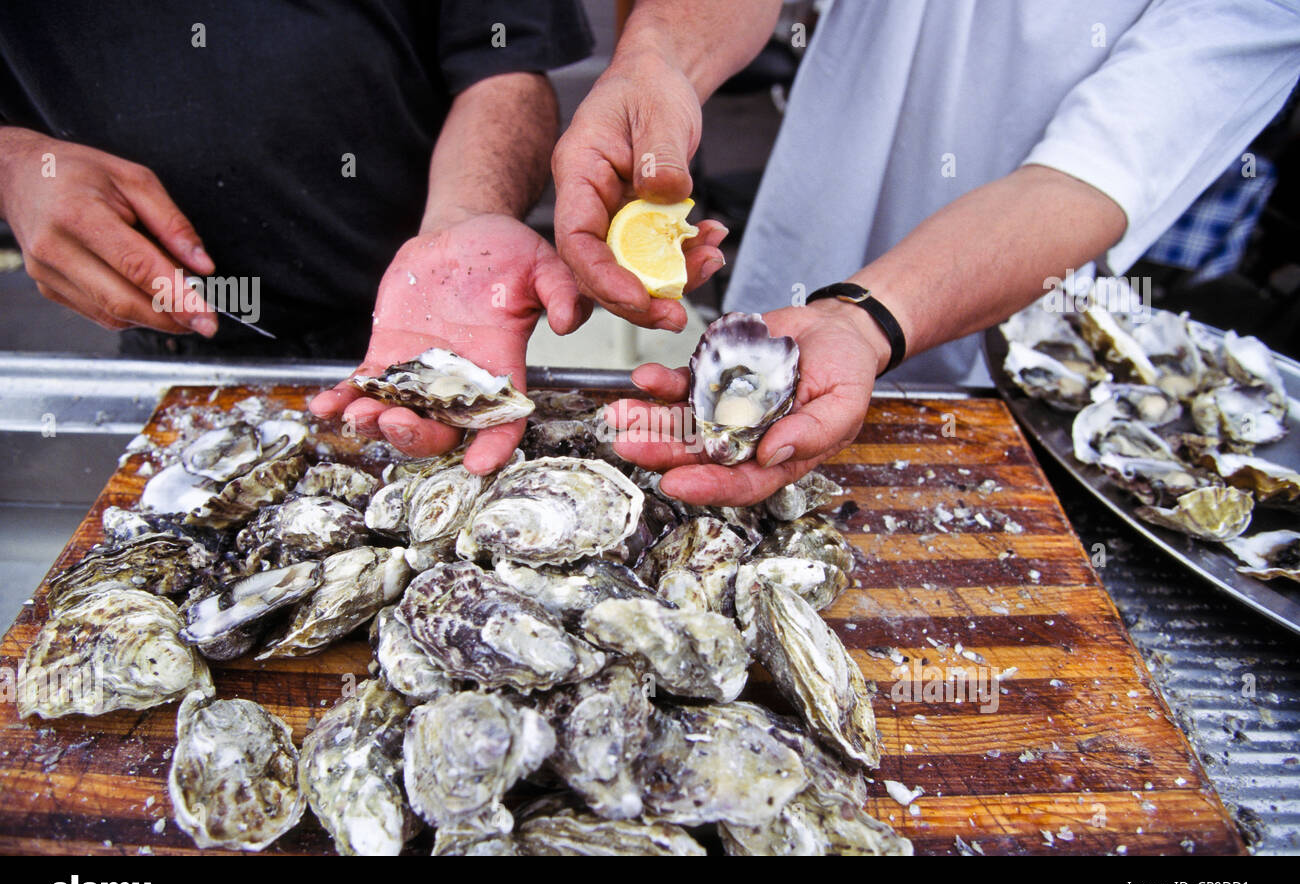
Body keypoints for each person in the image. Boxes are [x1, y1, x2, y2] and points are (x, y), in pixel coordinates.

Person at [551, 0, 1300, 506]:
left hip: (993, 305)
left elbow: (1094, 173)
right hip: (817, 206)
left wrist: (866, 318)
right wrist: (657, 60)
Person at [0, 1, 592, 474]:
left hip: (429, 310)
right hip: (171, 334)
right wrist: (12, 163)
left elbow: (503, 61)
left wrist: (463, 216)